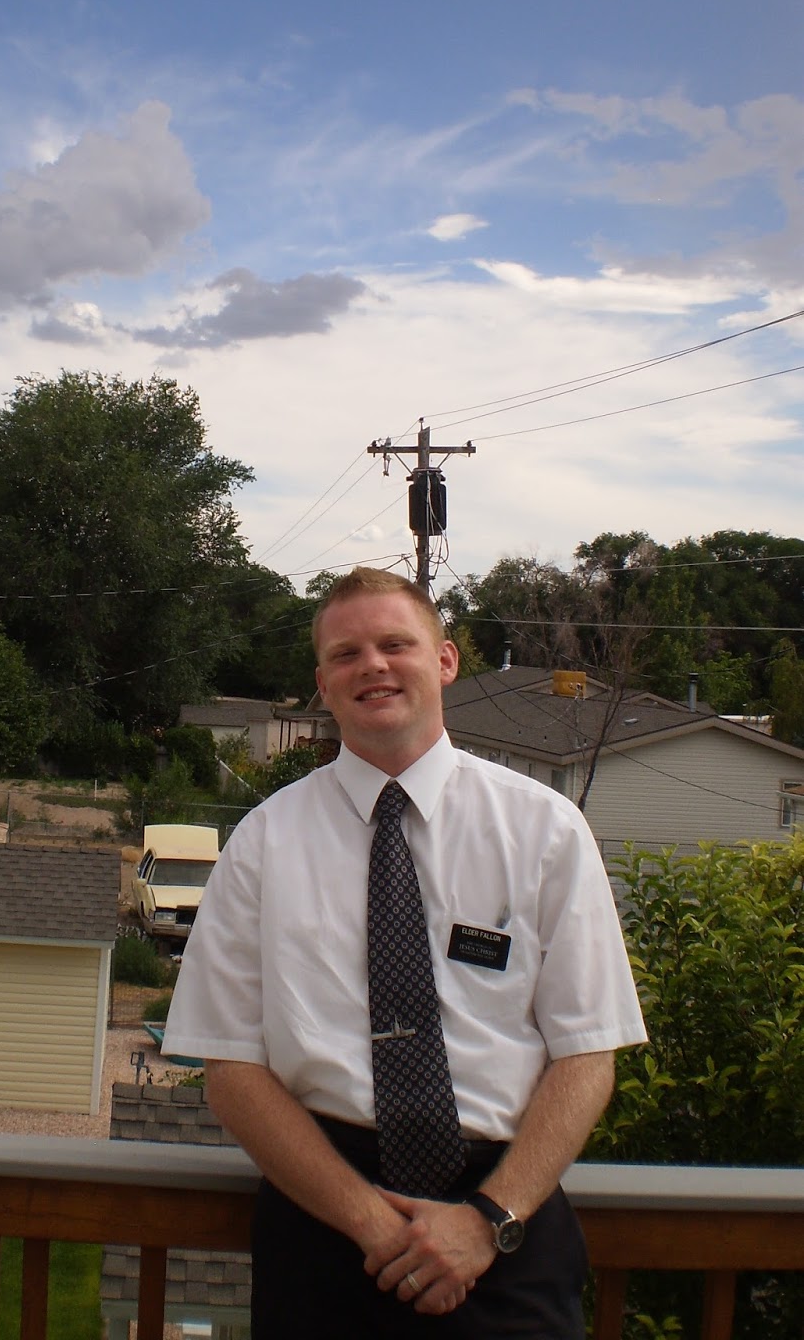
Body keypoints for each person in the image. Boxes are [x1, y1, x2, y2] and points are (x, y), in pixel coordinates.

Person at [163, 568, 646, 1337]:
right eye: (346, 654)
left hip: (505, 1226)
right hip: (323, 1230)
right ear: (323, 684)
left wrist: (487, 1220)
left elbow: (588, 1055)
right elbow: (231, 1069)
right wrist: (371, 1223)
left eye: (396, 644)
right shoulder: (262, 844)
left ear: (446, 660)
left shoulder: (546, 831)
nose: (373, 666)